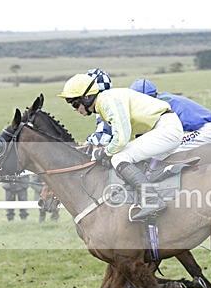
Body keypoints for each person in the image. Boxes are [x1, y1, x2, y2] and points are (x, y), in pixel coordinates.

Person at [58, 69, 183, 221]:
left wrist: (106, 152)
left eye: (76, 104)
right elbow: (126, 135)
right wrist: (108, 150)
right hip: (163, 127)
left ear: (87, 97)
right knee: (127, 158)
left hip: (166, 128)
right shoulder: (105, 102)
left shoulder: (107, 101)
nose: (75, 109)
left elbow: (122, 138)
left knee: (119, 158)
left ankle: (152, 200)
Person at [130, 78, 211, 150]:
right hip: (204, 126)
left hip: (204, 130)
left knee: (165, 150)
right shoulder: (161, 97)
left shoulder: (159, 106)